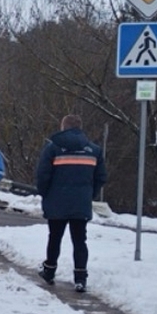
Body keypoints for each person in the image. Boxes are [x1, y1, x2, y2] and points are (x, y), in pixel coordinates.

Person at [35, 114, 107, 292]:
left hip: (57, 202)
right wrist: (89, 194)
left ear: (63, 127)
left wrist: (46, 195)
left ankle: (49, 271)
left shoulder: (53, 149)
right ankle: (80, 278)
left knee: (55, 238)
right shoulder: (94, 150)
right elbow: (101, 177)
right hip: (81, 203)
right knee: (80, 240)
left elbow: (42, 175)